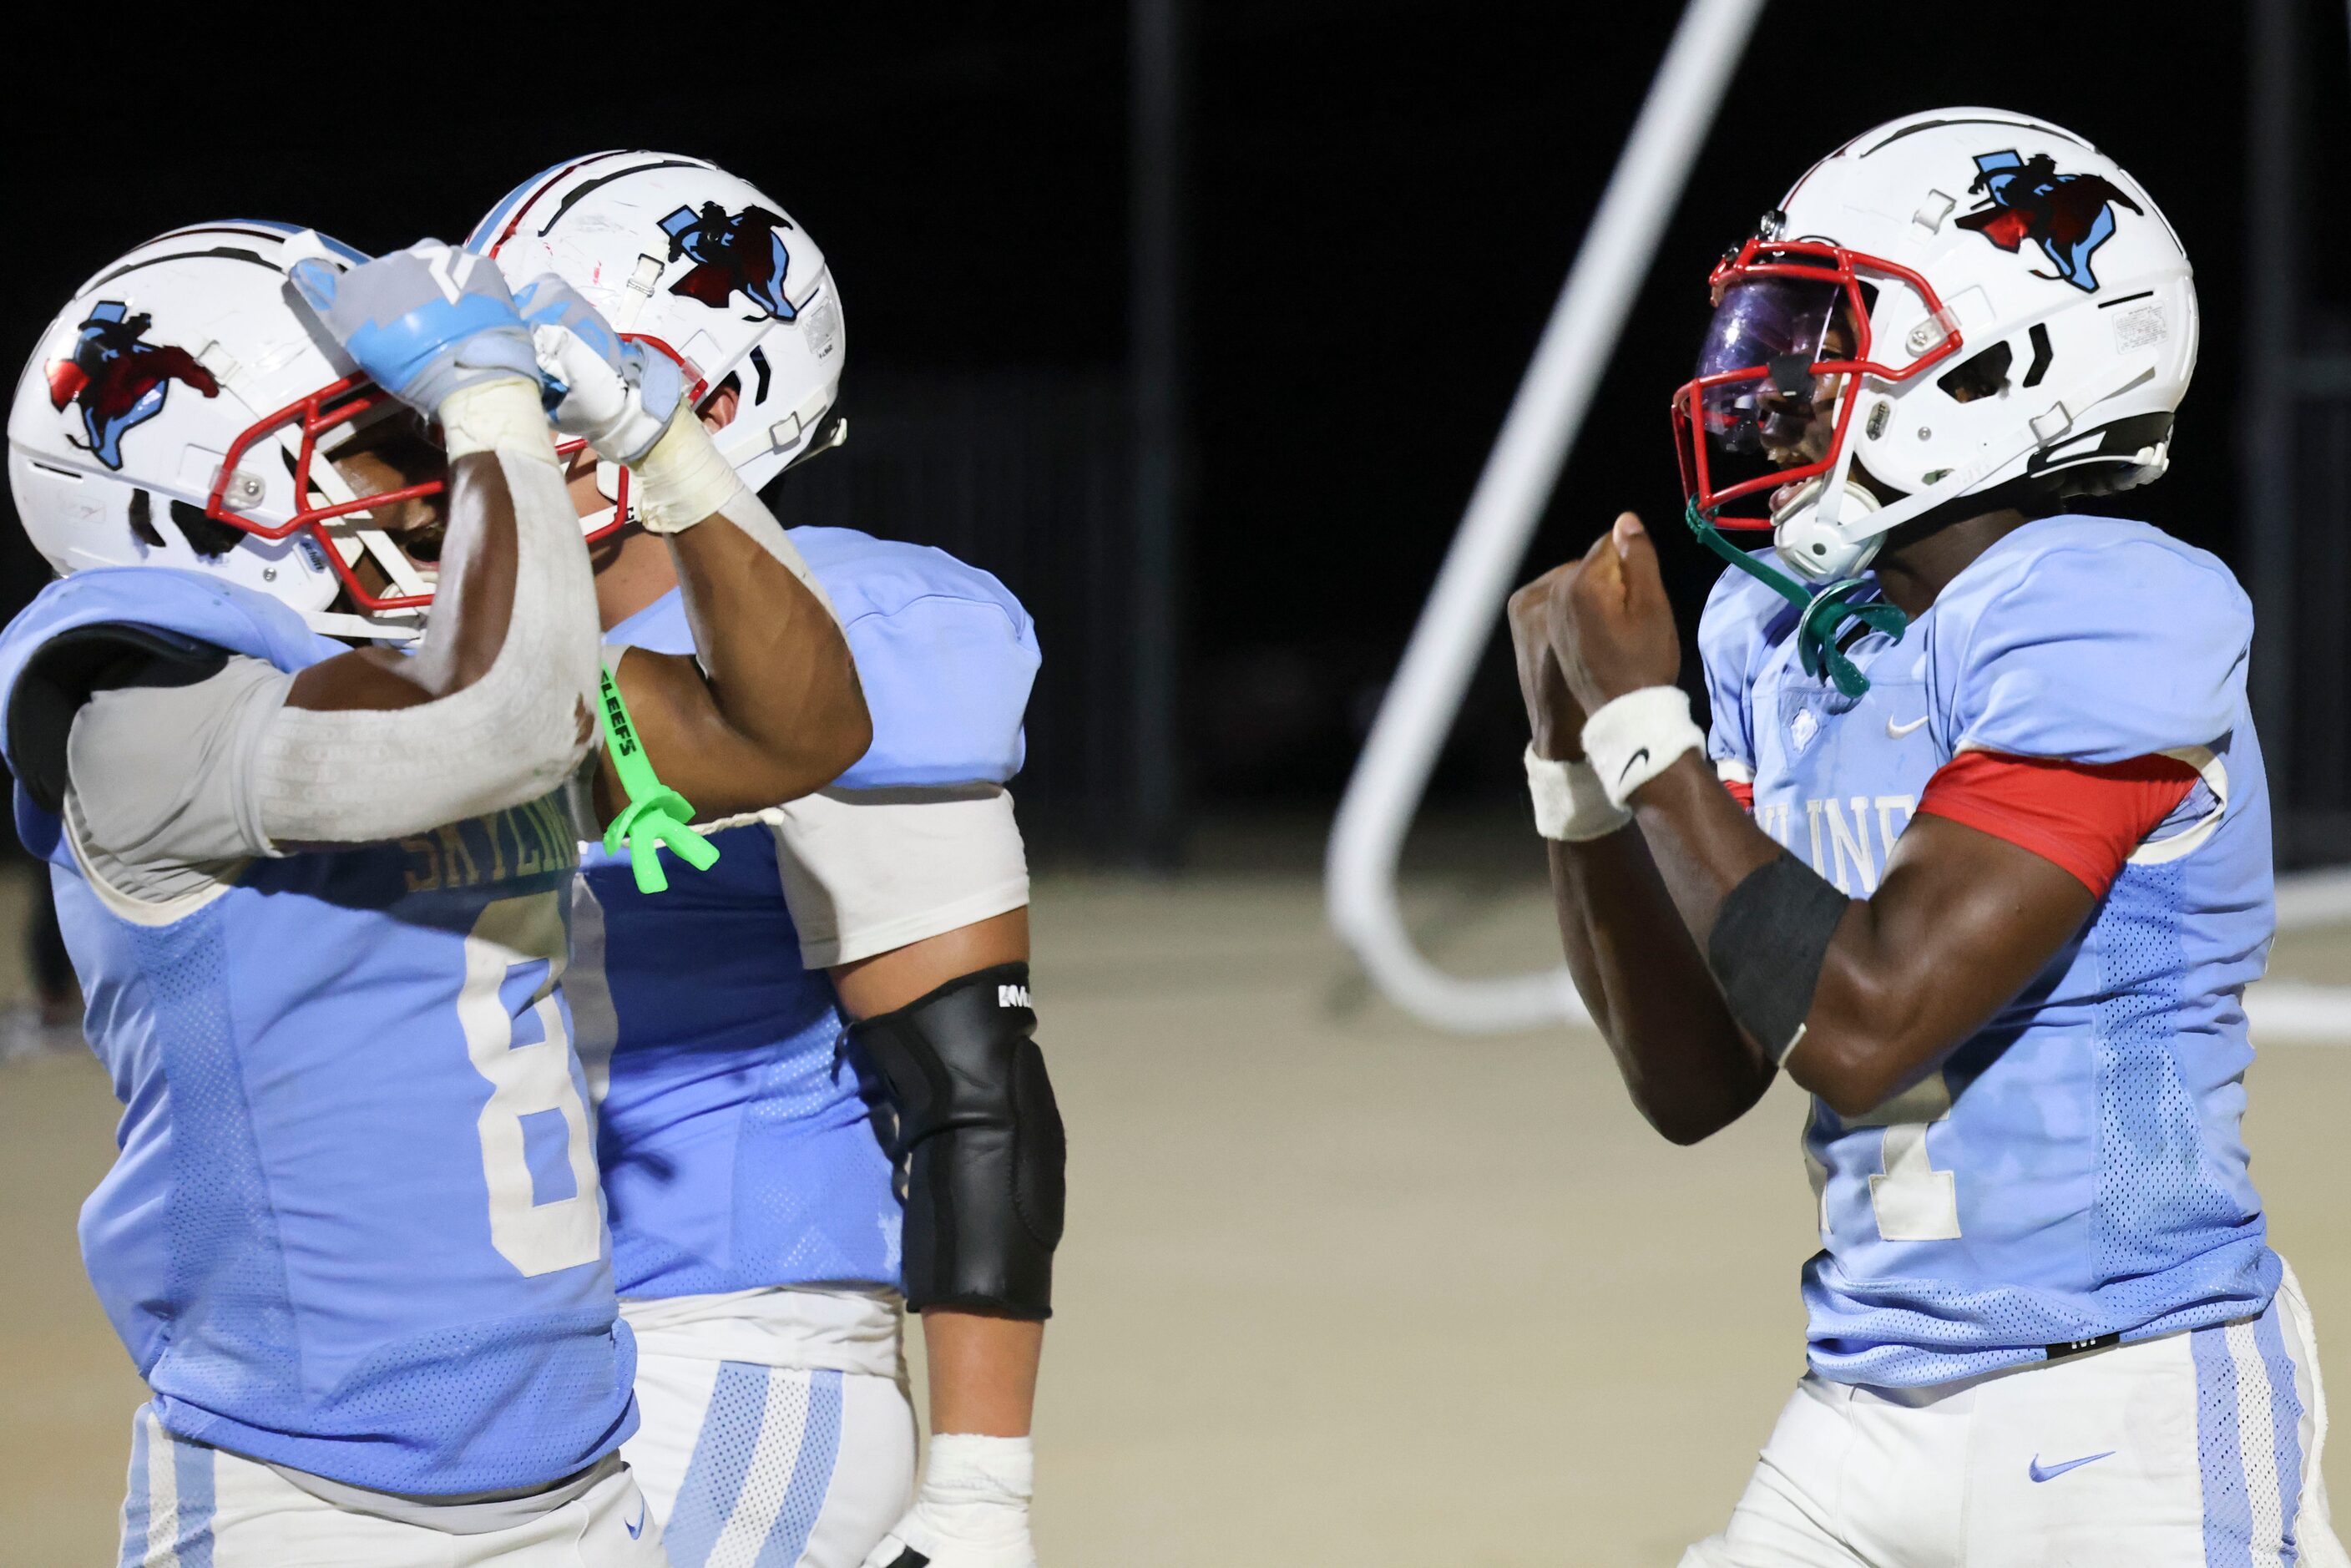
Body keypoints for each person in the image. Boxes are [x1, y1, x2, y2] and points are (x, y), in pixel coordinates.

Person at [1506, 109, 2348, 1565]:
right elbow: (1697, 1076)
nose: (1761, 379)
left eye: (1818, 326)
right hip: (1859, 1408)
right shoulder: (1780, 624)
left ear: (2000, 362)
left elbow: (1866, 1020)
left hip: (2127, 1409)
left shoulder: (2108, 602)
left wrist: (1651, 732)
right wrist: (1575, 765)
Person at [1, 219, 867, 1564]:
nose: (421, 487)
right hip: (308, 1504)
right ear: (181, 498)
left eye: (419, 438)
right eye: (373, 444)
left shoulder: (448, 671)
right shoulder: (136, 708)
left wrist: (663, 440)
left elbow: (795, 729)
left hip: (580, 1479)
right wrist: (487, 395)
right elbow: (499, 721)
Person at [470, 154, 1062, 1568]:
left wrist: (983, 1489)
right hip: (502, 1351)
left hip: (728, 1346)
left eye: (530, 381)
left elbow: (971, 1079)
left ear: (708, 404)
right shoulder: (456, 643)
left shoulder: (866, 627)